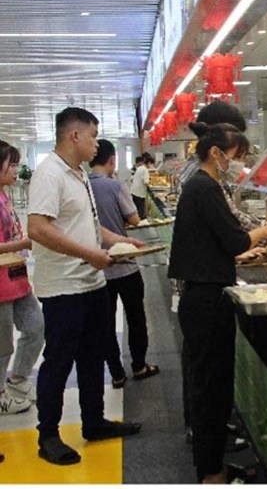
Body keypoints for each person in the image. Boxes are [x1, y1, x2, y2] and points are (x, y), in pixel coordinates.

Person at [168, 123, 267, 484]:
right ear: (216, 153)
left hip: (204, 293)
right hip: (206, 300)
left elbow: (216, 241)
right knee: (210, 387)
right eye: (237, 156)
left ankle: (215, 466)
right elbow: (234, 239)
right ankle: (211, 473)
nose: (239, 164)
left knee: (211, 384)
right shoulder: (204, 186)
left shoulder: (201, 185)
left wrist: (244, 245)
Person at [27, 107, 144, 466]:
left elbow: (89, 228)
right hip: (64, 288)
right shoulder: (50, 174)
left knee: (93, 355)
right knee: (59, 362)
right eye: (93, 136)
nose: (97, 144)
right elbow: (38, 228)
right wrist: (90, 255)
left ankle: (94, 421)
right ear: (74, 135)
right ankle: (48, 435)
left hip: (90, 283)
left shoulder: (78, 175)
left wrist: (119, 241)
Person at [89, 139, 159, 389]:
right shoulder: (115, 186)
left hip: (98, 268)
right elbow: (133, 218)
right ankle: (139, 366)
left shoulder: (82, 186)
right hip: (125, 264)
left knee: (105, 322)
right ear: (111, 160)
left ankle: (116, 373)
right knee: (136, 317)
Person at [0, 141, 44, 415]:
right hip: (1, 286)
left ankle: (17, 377)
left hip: (17, 278)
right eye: (11, 164)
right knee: (3, 344)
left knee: (36, 327)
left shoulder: (4, 196)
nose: (17, 169)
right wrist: (22, 244)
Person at [130, 153, 154, 218]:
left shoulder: (140, 168)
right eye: (151, 163)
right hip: (139, 193)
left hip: (134, 191)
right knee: (140, 211)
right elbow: (146, 182)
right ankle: (140, 223)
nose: (151, 165)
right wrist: (152, 186)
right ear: (148, 163)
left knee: (137, 209)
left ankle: (137, 221)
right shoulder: (145, 170)